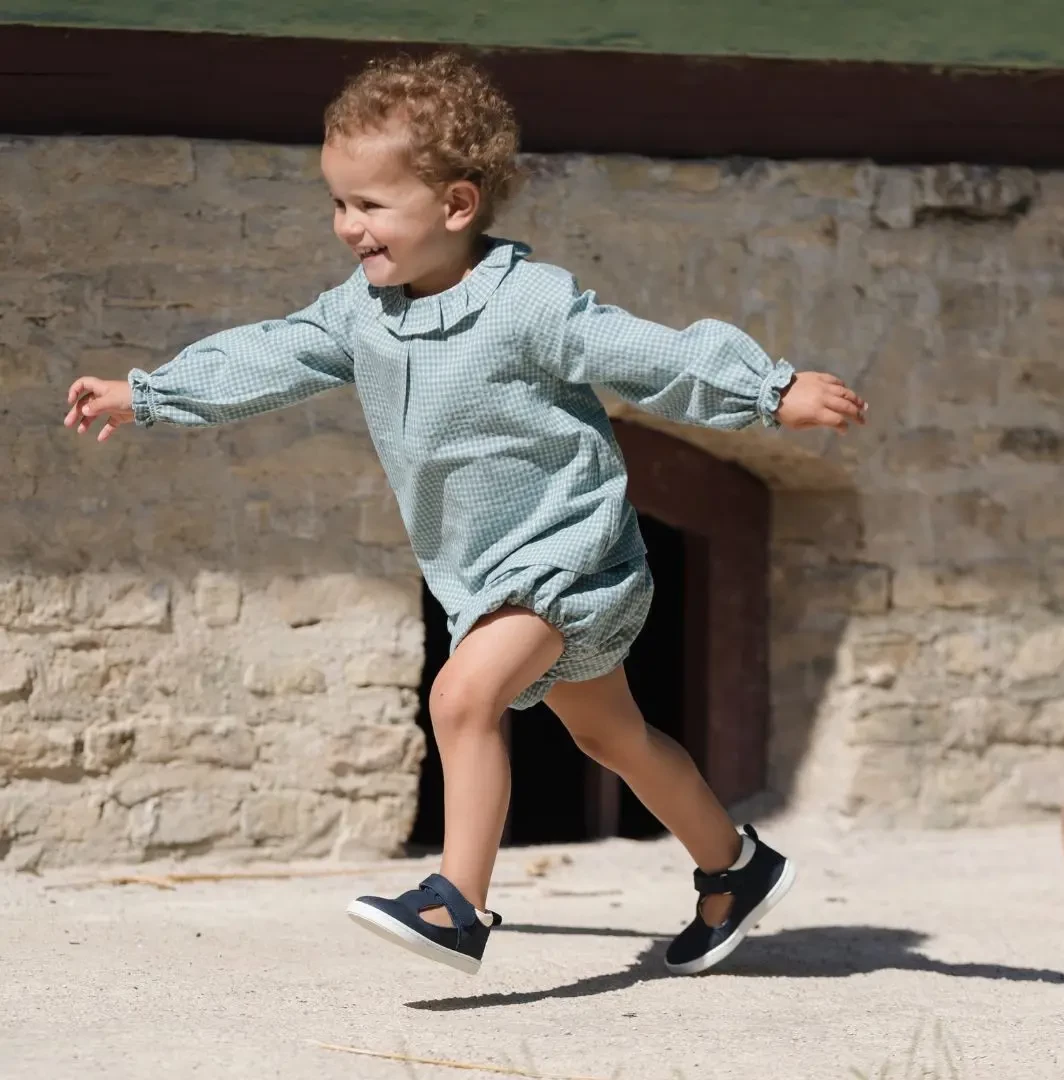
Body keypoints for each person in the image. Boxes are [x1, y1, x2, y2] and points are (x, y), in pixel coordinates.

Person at [64, 53, 867, 978]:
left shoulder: (528, 305)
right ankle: (735, 865)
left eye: (371, 204)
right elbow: (271, 355)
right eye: (338, 202)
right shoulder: (361, 313)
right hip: (484, 574)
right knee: (611, 735)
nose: (348, 225)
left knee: (461, 697)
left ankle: (458, 904)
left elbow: (644, 353)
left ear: (455, 204)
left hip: (570, 556)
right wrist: (149, 393)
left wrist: (768, 391)